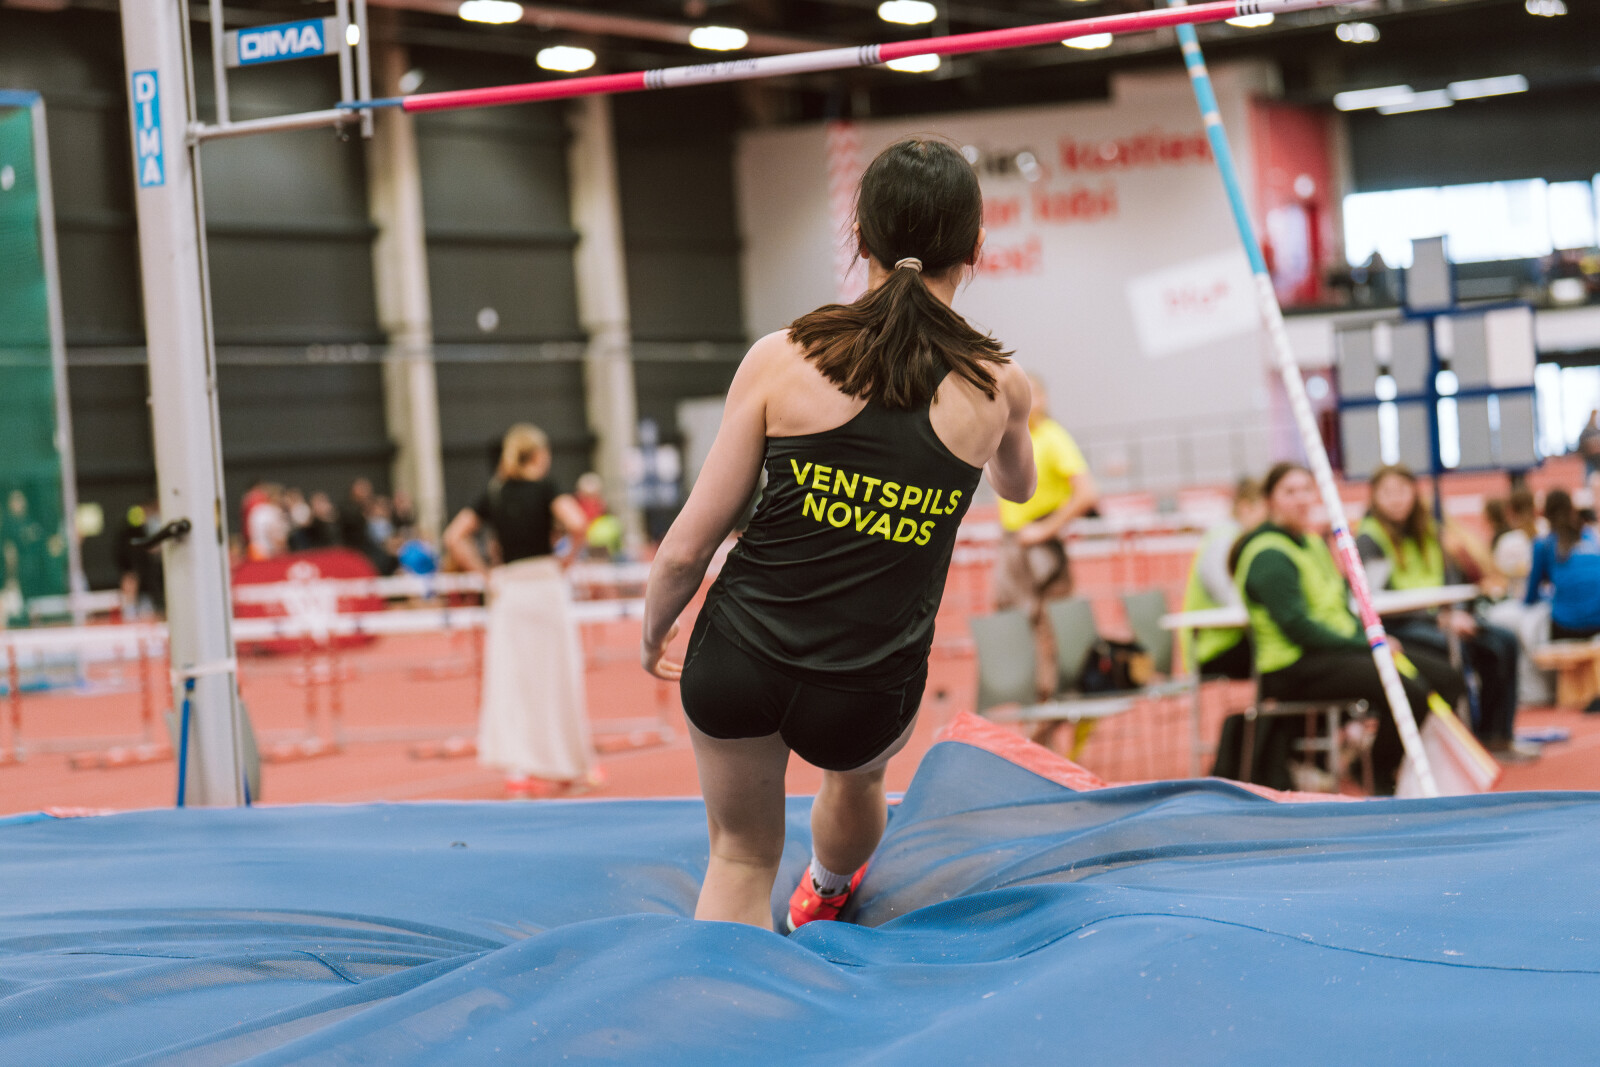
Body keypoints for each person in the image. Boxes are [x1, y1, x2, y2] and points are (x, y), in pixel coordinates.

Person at [640, 138, 1036, 932]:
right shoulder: (997, 386)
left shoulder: (779, 360)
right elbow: (1020, 488)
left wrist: (655, 629)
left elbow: (687, 547)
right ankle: (826, 884)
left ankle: (728, 1001)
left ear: (860, 239)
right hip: (866, 685)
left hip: (739, 658)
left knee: (739, 858)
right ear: (976, 248)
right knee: (857, 783)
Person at [1221, 462, 1464, 795]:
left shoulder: (1312, 543)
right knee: (1410, 692)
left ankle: (1412, 767)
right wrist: (1366, 646)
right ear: (1270, 500)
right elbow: (1299, 629)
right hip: (1294, 666)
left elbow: (1338, 608)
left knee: (1447, 679)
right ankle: (1378, 774)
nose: (1301, 499)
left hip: (1334, 652)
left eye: (1306, 490)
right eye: (1290, 492)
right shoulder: (1267, 554)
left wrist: (1371, 638)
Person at [443, 424, 596, 798]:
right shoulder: (547, 488)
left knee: (512, 682)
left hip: (509, 591)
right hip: (544, 586)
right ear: (539, 455)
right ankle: (567, 768)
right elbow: (578, 523)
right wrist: (568, 559)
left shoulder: (493, 492)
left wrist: (484, 574)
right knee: (556, 678)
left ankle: (518, 772)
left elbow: (453, 536)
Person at [1356, 464, 1524, 757]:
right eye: (1387, 493)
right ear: (1374, 497)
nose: (1396, 499)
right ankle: (1463, 741)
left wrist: (1456, 612)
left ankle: (1497, 737)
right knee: (1454, 650)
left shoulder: (1429, 531)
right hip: (1402, 624)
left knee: (1504, 642)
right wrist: (1440, 618)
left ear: (1414, 493)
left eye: (1402, 491)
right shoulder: (1369, 539)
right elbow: (1376, 599)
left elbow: (1451, 578)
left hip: (1441, 618)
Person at [991, 373, 1100, 702]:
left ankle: (1054, 708)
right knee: (1018, 628)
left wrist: (1045, 529)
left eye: (1032, 394)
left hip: (1042, 552)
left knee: (1051, 630)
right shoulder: (1005, 438)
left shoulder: (1053, 437)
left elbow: (1087, 494)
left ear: (1042, 399)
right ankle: (1039, 711)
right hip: (1014, 547)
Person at [1179, 477, 1266, 680]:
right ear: (1245, 507)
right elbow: (1229, 595)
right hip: (1214, 648)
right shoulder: (1224, 539)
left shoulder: (1234, 537)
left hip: (1229, 641)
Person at [1524, 489, 1600, 643]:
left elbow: (1530, 597)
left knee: (1531, 621)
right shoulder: (1590, 537)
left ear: (1545, 514)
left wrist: (1548, 597)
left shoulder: (1544, 544)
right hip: (1597, 622)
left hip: (1567, 625)